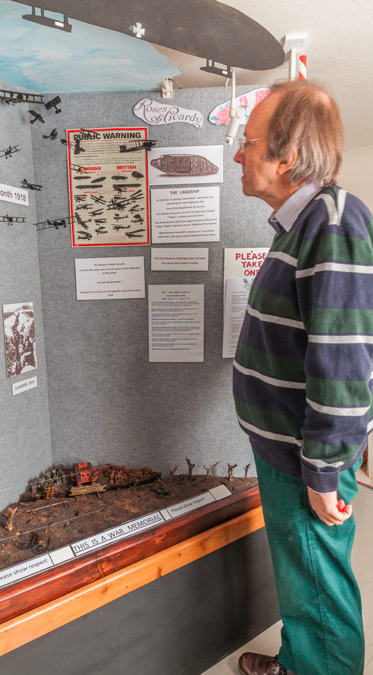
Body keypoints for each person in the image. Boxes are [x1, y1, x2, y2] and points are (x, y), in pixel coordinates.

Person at [232, 80, 372, 675]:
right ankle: (298, 663)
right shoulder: (301, 222)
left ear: (286, 156)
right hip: (288, 447)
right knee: (301, 574)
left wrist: (323, 467)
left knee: (318, 585)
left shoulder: (331, 224)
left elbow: (343, 360)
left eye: (248, 142)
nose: (239, 154)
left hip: (303, 455)